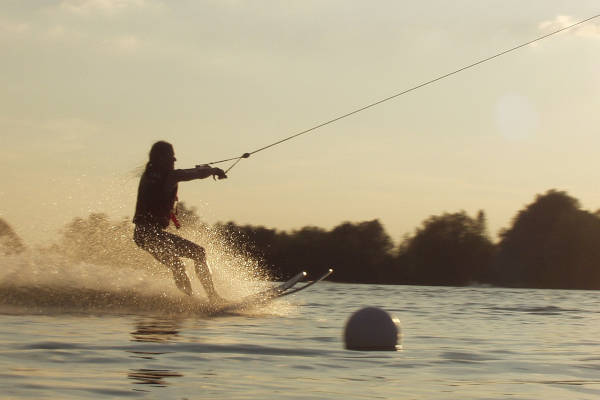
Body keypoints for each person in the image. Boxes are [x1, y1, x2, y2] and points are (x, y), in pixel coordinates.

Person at [133, 141, 227, 302]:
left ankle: (188, 301)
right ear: (161, 158)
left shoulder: (149, 174)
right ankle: (213, 298)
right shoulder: (169, 176)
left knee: (177, 266)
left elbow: (187, 172)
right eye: (171, 157)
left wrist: (203, 169)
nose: (174, 160)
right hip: (150, 234)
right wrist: (214, 170)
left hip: (141, 235)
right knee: (199, 253)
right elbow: (189, 174)